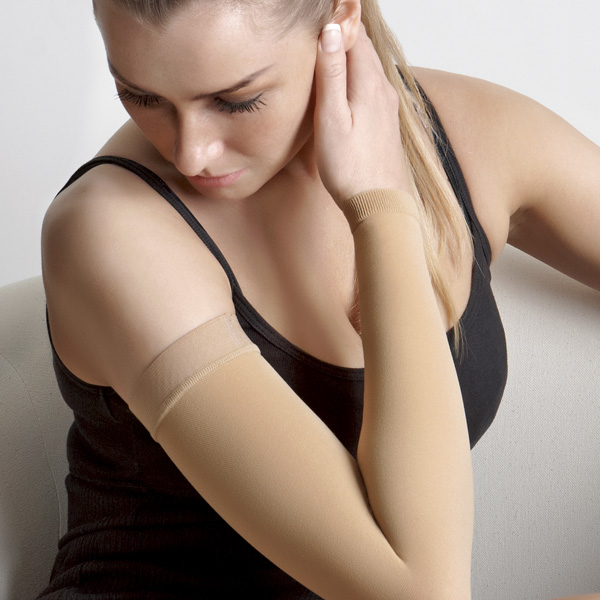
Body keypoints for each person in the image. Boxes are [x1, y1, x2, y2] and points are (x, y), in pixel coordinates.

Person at [36, 0, 599, 598]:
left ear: (341, 17)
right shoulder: (110, 235)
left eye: (236, 100)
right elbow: (422, 593)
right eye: (141, 96)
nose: (190, 152)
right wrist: (381, 207)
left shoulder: (464, 133)